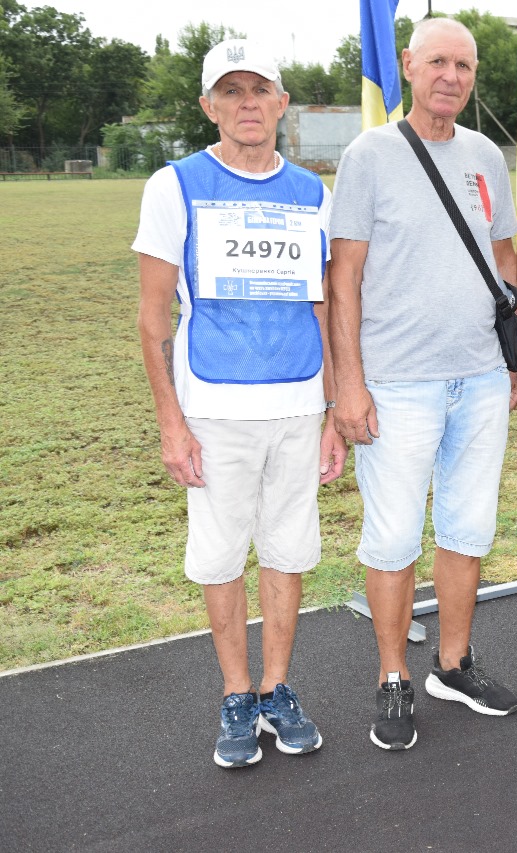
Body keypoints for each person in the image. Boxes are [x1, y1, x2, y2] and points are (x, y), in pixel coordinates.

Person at [134, 39, 345, 768]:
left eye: (261, 89)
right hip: (213, 411)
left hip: (295, 407)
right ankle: (235, 694)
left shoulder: (314, 191)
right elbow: (153, 316)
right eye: (231, 91)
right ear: (208, 107)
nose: (248, 103)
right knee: (221, 556)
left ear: (283, 102)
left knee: (288, 551)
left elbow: (325, 309)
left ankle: (277, 687)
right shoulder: (175, 185)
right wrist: (171, 422)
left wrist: (331, 411)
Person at [328, 17, 517, 751]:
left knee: (469, 527)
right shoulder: (368, 154)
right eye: (438, 61)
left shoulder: (484, 156)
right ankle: (392, 676)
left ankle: (452, 663)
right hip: (398, 382)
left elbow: (503, 260)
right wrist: (348, 385)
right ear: (409, 65)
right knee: (393, 535)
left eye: (465, 66)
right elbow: (342, 277)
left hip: (478, 376)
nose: (451, 76)